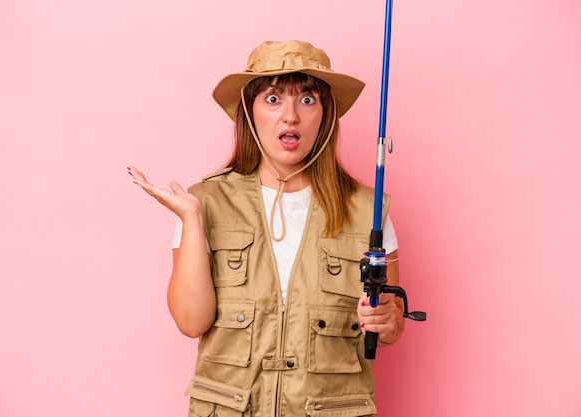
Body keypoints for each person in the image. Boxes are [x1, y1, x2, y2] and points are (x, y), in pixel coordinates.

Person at [128, 40, 405, 417]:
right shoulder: (206, 202)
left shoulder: (369, 212)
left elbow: (389, 329)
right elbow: (192, 322)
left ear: (326, 114)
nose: (290, 116)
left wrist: (388, 319)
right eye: (273, 99)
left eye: (307, 100)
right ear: (249, 111)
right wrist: (192, 221)